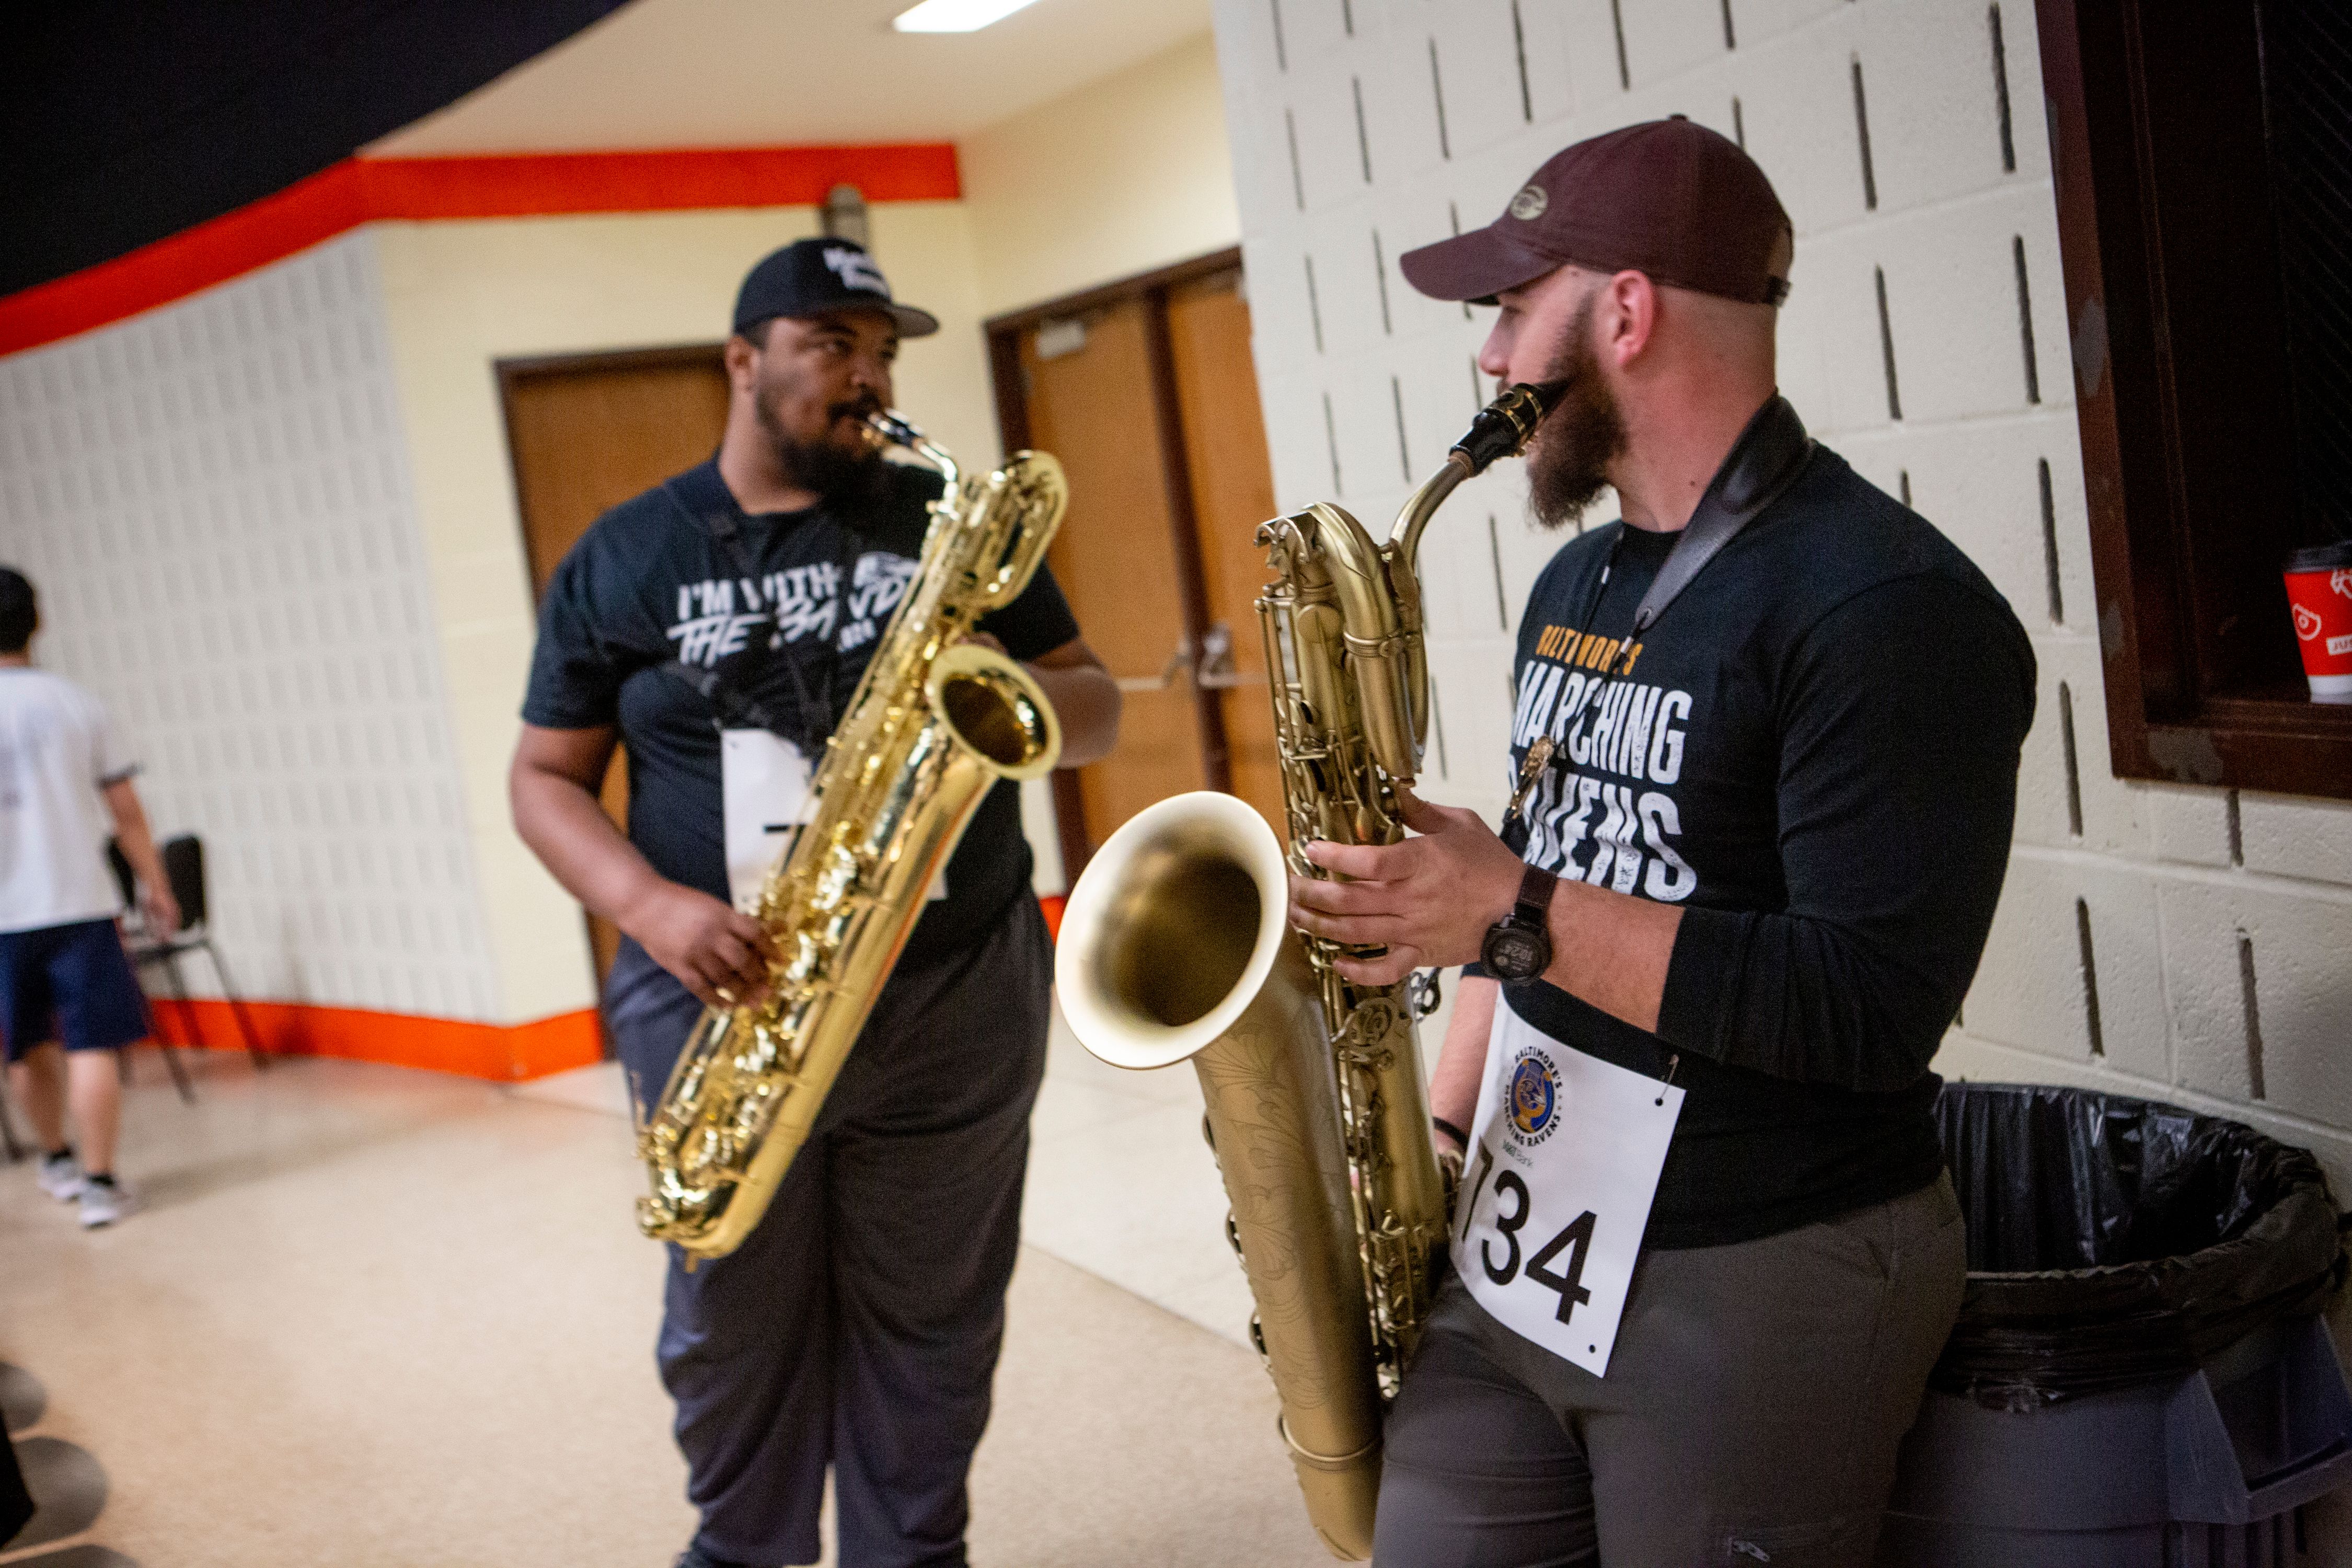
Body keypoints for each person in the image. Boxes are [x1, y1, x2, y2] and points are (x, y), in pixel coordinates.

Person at [1286, 119, 2036, 1566]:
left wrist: (1512, 910)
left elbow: (1866, 1008)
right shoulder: (1577, 576)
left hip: (1759, 1264)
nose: (1488, 356)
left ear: (1623, 311)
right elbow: (1536, 862)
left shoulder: (1887, 609)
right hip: (1520, 1233)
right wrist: (1441, 1138)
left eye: (1511, 306)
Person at [510, 237, 1119, 1568]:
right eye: (832, 344)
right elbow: (544, 779)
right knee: (728, 1309)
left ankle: (913, 1548)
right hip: (714, 990)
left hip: (951, 977)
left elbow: (1092, 700)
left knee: (936, 1308)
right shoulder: (625, 555)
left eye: (884, 350)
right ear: (743, 362)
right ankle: (745, 1547)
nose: (867, 376)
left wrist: (993, 693)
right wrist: (651, 907)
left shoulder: (939, 519)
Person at [0, 568, 178, 1230]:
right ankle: (101, 1184)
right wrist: (156, 884)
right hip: (78, 904)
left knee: (25, 1046)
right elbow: (126, 812)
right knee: (91, 1046)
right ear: (36, 621)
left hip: (5, 918)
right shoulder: (77, 704)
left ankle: (55, 1161)